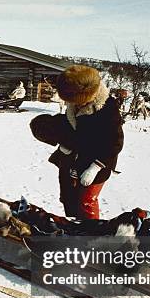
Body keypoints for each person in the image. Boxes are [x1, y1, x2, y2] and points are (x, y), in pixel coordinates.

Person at [30, 65, 124, 219]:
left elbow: (115, 143)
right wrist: (52, 130)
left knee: (86, 201)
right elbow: (73, 126)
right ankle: (73, 226)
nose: (72, 104)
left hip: (97, 162)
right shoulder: (75, 100)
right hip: (73, 159)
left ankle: (90, 235)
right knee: (69, 197)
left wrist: (95, 167)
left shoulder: (108, 110)